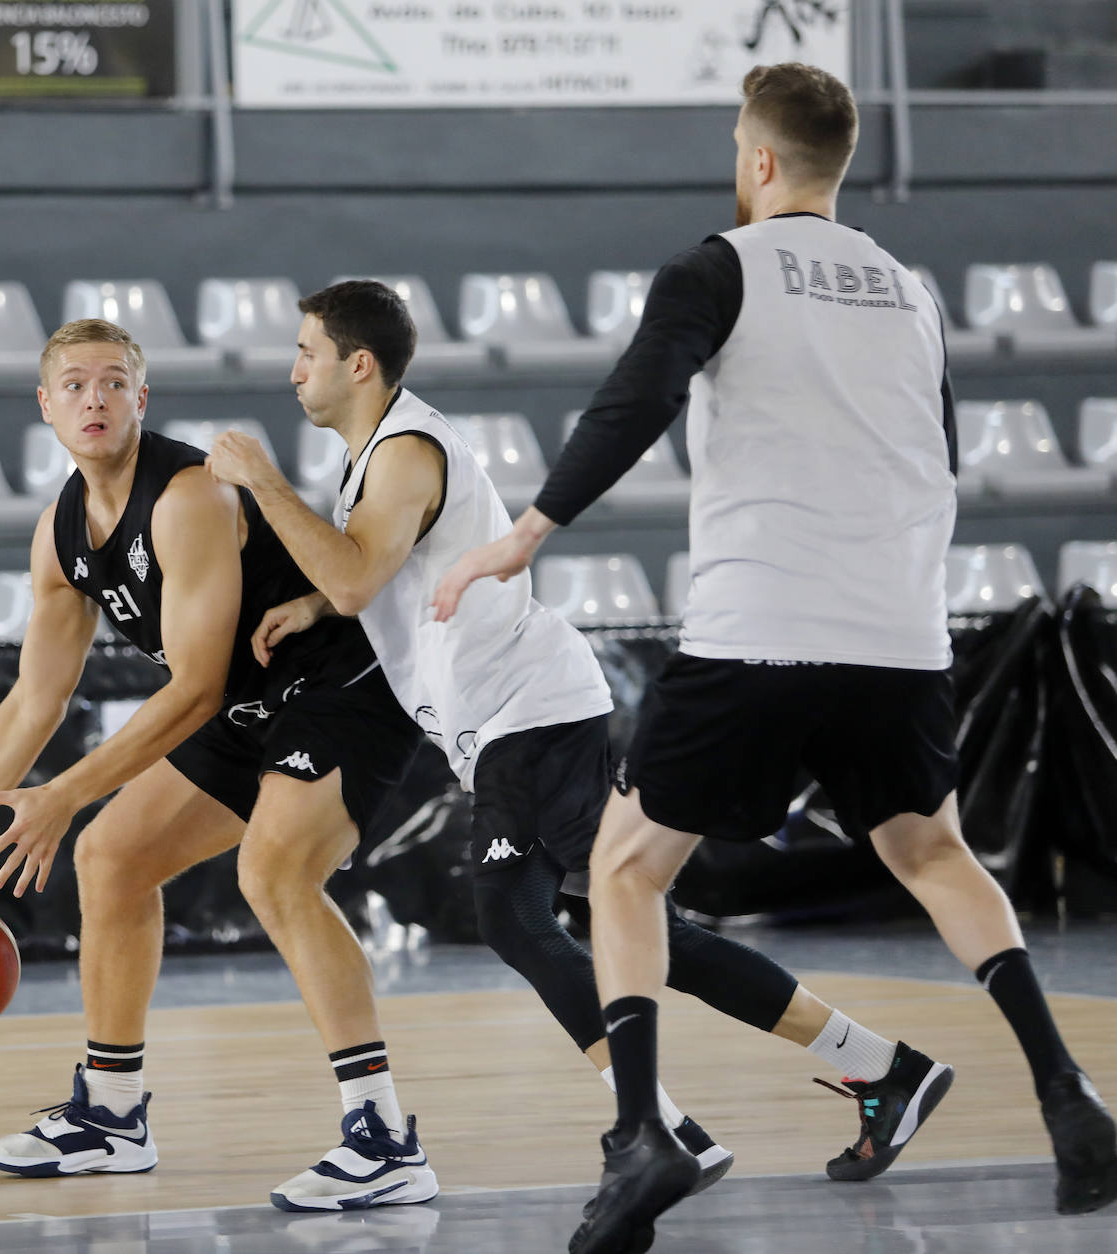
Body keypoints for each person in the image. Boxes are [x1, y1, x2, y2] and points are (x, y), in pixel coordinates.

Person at [432, 62, 1117, 1251]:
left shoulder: (719, 264)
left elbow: (636, 396)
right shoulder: (911, 292)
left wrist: (529, 532)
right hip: (899, 636)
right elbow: (943, 464)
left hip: (760, 630)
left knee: (628, 870)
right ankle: (1069, 1094)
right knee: (932, 850)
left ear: (756, 161)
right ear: (837, 162)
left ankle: (640, 1135)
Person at [205, 278, 955, 1201]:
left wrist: (265, 483)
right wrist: (314, 597)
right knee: (626, 927)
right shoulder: (380, 452)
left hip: (532, 710)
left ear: (358, 365)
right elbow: (378, 572)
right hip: (519, 716)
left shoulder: (402, 452)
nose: (294, 371)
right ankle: (870, 1072)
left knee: (526, 919)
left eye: (306, 353)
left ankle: (666, 1125)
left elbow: (362, 579)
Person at [0, 318, 437, 1213]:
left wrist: (63, 794)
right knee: (112, 858)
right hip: (250, 704)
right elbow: (31, 703)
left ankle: (384, 1136)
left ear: (141, 398)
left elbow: (196, 688)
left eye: (113, 382)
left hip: (340, 685)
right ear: (45, 407)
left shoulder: (189, 494)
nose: (95, 398)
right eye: (75, 385)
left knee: (275, 872)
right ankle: (112, 1116)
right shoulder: (59, 536)